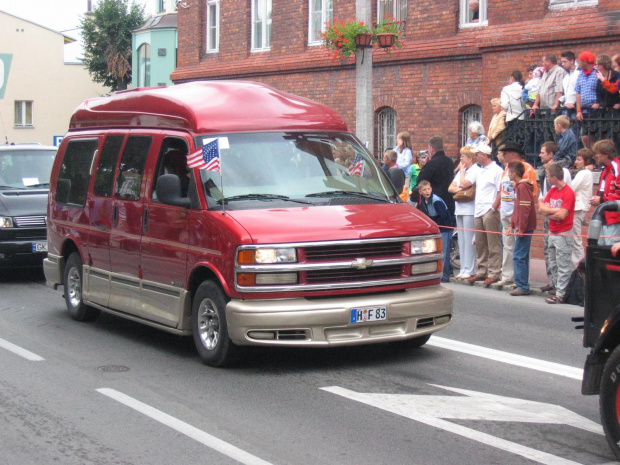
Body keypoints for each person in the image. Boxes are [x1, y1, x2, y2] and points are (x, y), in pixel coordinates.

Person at [496, 141, 538, 288]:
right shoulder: (506, 169)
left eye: (505, 153)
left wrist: (520, 213)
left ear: (513, 154)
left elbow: (531, 193)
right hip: (506, 210)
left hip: (518, 212)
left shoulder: (527, 169)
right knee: (507, 245)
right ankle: (508, 275)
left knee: (520, 248)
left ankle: (520, 278)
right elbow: (502, 189)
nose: (503, 156)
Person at [538, 141, 572, 294]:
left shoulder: (566, 186)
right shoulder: (550, 188)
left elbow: (563, 212)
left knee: (562, 259)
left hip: (563, 229)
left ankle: (561, 291)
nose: (540, 155)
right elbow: (541, 205)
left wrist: (550, 210)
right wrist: (552, 210)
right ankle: (554, 283)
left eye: (543, 152)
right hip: (552, 226)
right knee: (551, 257)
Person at [466, 144, 503, 287]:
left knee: (493, 242)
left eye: (477, 154)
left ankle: (494, 271)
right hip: (479, 210)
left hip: (489, 210)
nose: (475, 157)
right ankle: (482, 270)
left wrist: (494, 207)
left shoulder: (496, 170)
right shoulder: (479, 170)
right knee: (480, 243)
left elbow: (500, 191)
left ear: (485, 155)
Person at [448, 146, 480, 280]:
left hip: (469, 209)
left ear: (470, 158)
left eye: (463, 157)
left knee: (468, 240)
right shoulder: (463, 171)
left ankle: (470, 268)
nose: (461, 159)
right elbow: (451, 187)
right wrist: (459, 188)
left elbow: (465, 183)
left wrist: (461, 174)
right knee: (461, 240)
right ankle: (463, 268)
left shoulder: (474, 170)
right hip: (459, 208)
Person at [506, 161, 537, 296]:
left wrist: (521, 228)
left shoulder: (522, 187)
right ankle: (522, 283)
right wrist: (512, 225)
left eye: (508, 172)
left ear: (513, 173)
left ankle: (522, 285)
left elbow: (524, 209)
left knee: (519, 256)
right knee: (520, 255)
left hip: (525, 227)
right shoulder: (520, 186)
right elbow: (517, 208)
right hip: (521, 226)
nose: (507, 174)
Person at [418, 180, 456, 283]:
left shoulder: (436, 201)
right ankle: (448, 270)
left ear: (431, 189)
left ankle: (445, 274)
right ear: (420, 192)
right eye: (424, 190)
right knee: (440, 251)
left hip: (445, 227)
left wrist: (436, 223)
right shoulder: (424, 201)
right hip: (438, 228)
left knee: (444, 251)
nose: (427, 191)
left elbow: (443, 215)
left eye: (428, 189)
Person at [589, 139, 620, 246]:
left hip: (613, 218)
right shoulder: (605, 169)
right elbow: (602, 191)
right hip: (603, 216)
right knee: (600, 248)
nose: (596, 156)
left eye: (598, 153)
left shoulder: (617, 168)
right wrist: (597, 199)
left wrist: (601, 199)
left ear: (605, 154)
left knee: (610, 249)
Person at [418, 135, 456, 216]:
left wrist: (425, 165)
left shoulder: (431, 164)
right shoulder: (449, 161)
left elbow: (421, 181)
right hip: (449, 200)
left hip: (435, 202)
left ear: (432, 148)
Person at [571, 148, 594, 267]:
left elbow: (571, 188)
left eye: (579, 159)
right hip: (581, 207)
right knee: (575, 238)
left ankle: (578, 267)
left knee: (575, 239)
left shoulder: (583, 173)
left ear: (586, 161)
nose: (576, 162)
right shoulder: (586, 173)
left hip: (578, 208)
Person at [575, 51, 599, 148]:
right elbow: (578, 92)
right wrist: (578, 110)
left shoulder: (597, 71)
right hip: (585, 109)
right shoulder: (581, 74)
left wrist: (598, 102)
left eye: (580, 60)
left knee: (600, 136)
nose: (578, 62)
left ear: (585, 61)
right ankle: (592, 157)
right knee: (586, 136)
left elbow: (602, 89)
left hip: (596, 109)